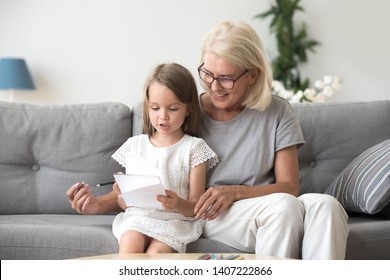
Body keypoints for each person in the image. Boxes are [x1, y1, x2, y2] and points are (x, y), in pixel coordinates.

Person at [67, 21, 349, 259]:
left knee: (327, 206)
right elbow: (141, 191)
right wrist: (95, 204)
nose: (215, 86)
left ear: (252, 75)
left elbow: (289, 187)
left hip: (259, 204)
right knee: (285, 208)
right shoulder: (183, 112)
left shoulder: (277, 111)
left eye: (226, 78)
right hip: (209, 213)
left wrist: (234, 191)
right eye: (208, 74)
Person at [67, 63, 218, 254]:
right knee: (130, 243)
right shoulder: (135, 146)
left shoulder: (194, 148)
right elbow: (125, 204)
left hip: (175, 221)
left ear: (188, 109)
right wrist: (123, 194)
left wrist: (177, 203)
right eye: (155, 108)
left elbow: (196, 207)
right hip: (138, 217)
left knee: (156, 253)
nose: (163, 117)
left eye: (172, 109)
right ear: (147, 107)